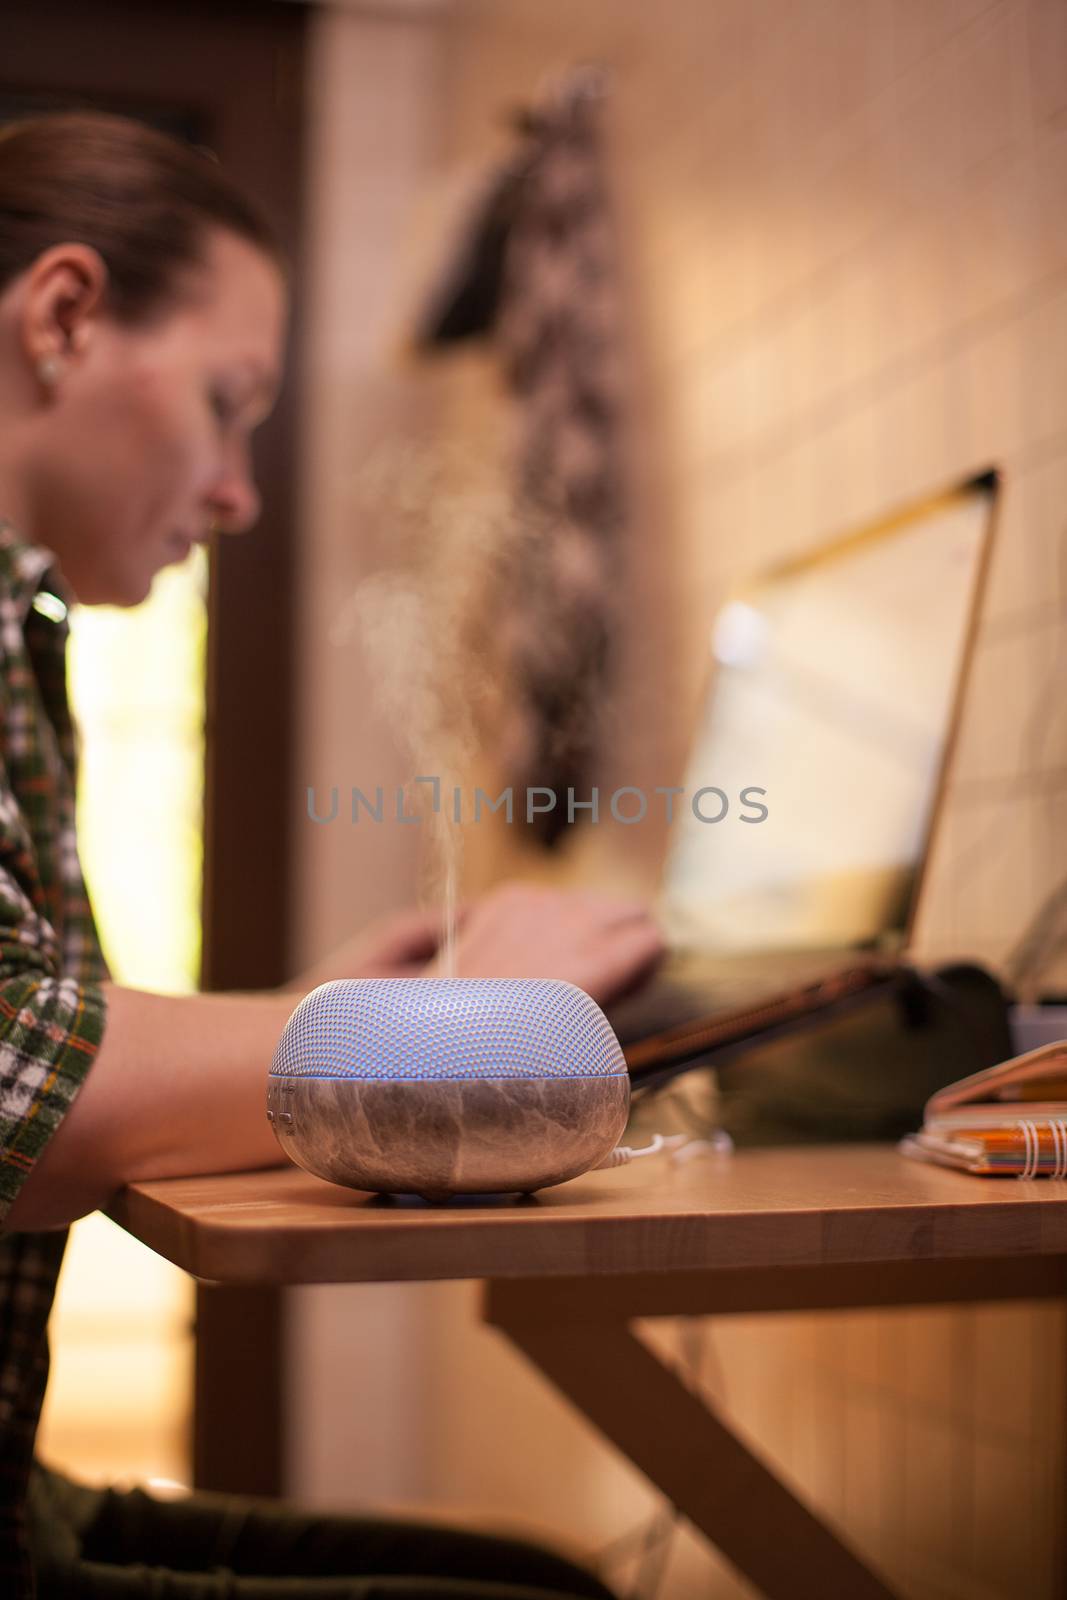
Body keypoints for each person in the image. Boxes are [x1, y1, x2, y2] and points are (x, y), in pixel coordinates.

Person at [0, 112, 662, 1598]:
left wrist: (313, 1008)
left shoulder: (18, 635)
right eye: (229, 405)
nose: (237, 491)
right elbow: (15, 1095)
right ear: (61, 318)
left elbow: (37, 1038)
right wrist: (438, 1028)